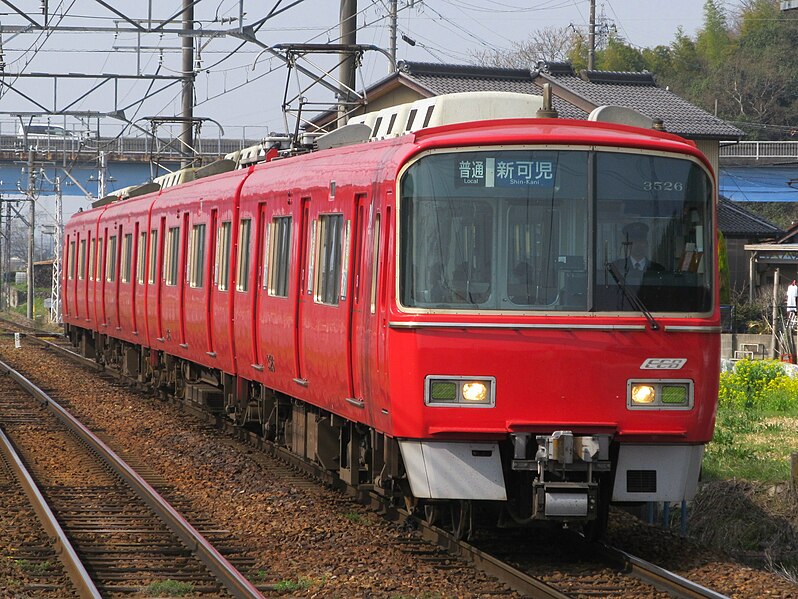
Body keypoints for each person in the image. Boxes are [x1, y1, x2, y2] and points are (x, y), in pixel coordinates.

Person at [611, 222, 665, 286]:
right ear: (628, 245)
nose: (638, 245)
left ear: (646, 244)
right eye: (634, 242)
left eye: (641, 241)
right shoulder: (617, 267)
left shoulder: (658, 269)